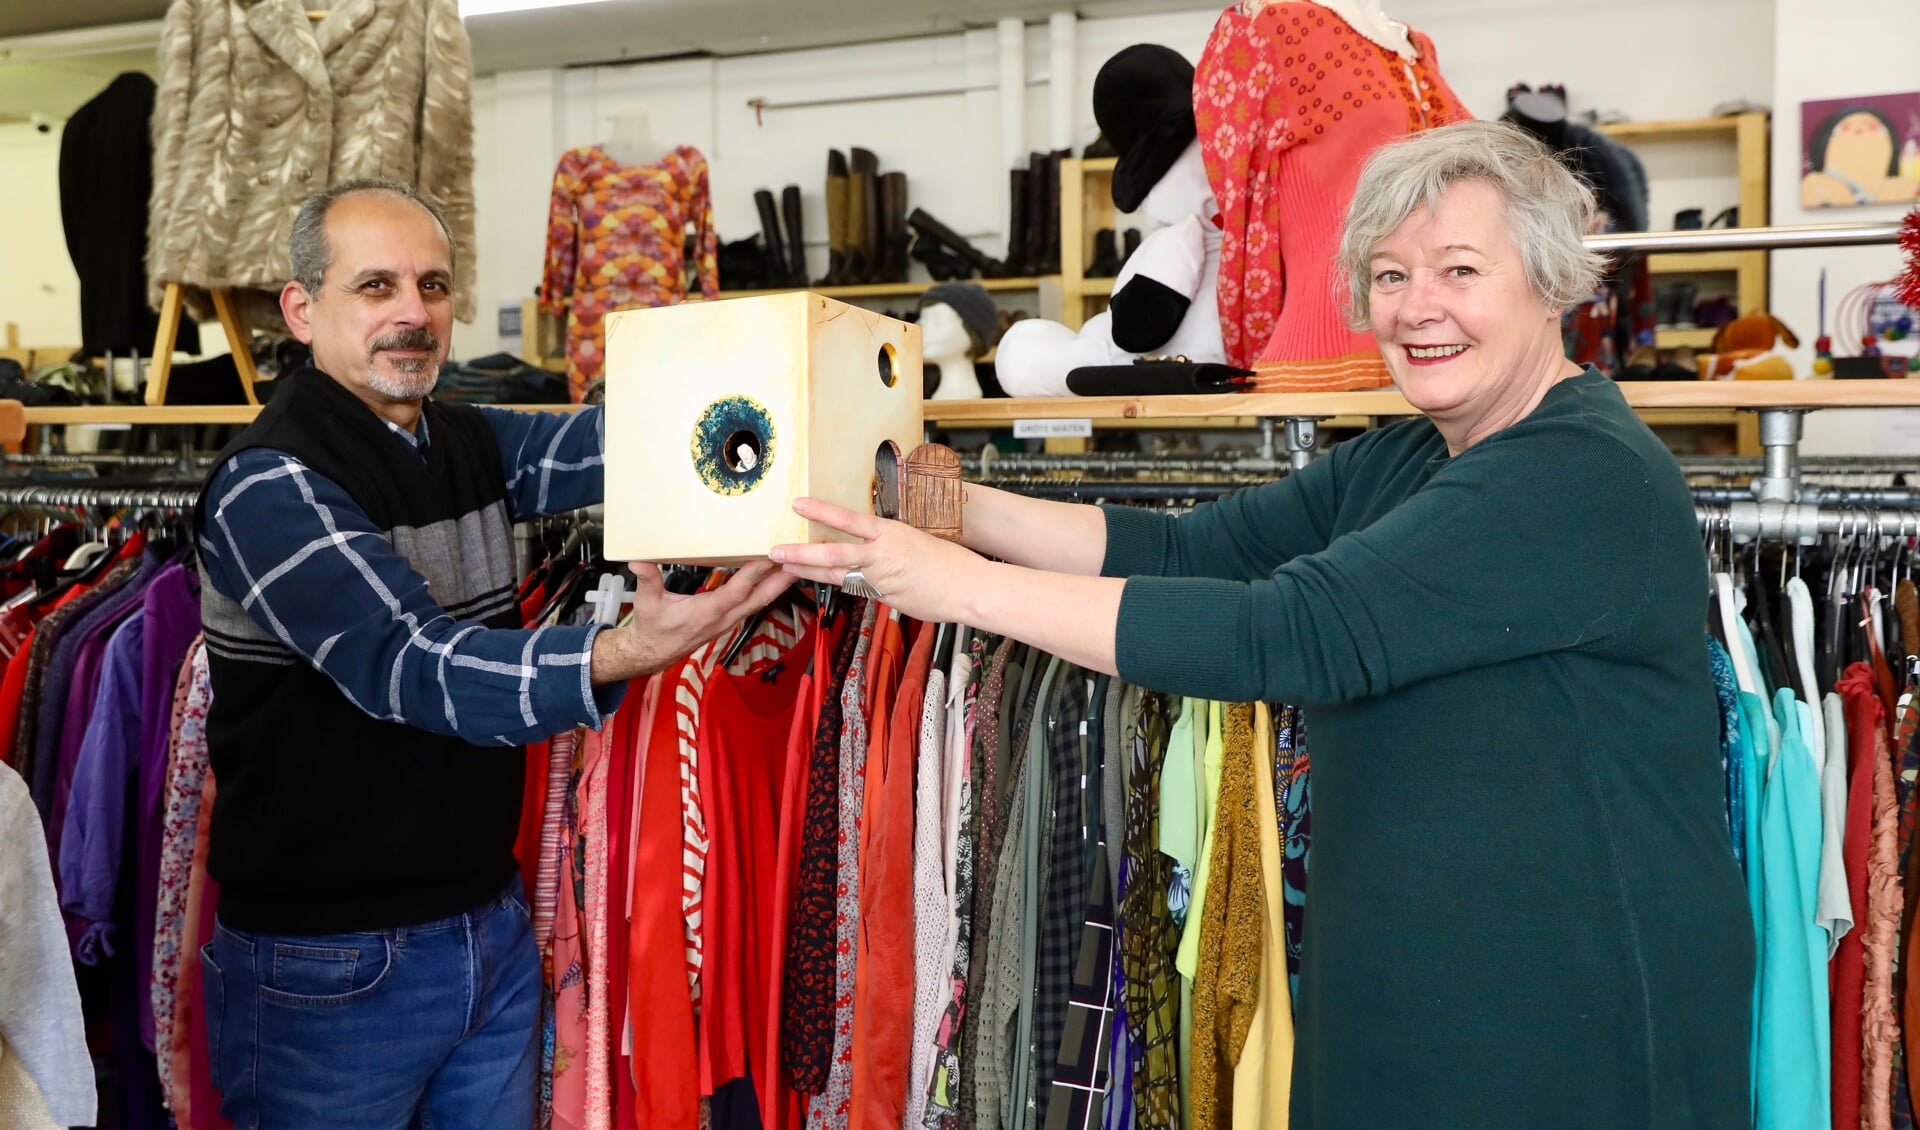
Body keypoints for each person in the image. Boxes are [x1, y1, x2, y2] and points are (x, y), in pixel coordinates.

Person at [773, 120, 1753, 1127]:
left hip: (1562, 1027)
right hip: (1413, 993)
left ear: (1549, 279)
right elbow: (1192, 551)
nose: (1419, 309)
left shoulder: (1579, 473)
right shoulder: (1412, 456)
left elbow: (1281, 632)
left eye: (1460, 270)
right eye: (1390, 274)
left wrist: (959, 588)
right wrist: (953, 508)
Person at [192, 178, 789, 1129]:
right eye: (376, 286)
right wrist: (624, 650)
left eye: (432, 286)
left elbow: (628, 445)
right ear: (303, 311)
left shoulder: (458, 439)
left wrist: (807, 408)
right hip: (328, 967)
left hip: (490, 930)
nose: (413, 314)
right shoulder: (270, 485)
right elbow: (416, 667)